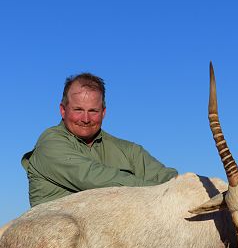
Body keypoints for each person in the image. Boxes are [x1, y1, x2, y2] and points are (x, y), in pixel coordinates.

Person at [22, 73, 178, 207]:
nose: (85, 118)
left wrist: (184, 188)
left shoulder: (129, 150)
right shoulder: (50, 144)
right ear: (63, 110)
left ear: (103, 112)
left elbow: (170, 180)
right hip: (58, 238)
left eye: (93, 111)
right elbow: (94, 179)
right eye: (78, 110)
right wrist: (161, 192)